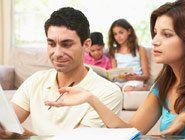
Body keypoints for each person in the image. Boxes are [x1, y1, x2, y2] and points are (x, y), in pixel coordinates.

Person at [45, 0, 185, 137]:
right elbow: (129, 131)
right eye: (155, 33)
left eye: (166, 34)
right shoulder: (162, 86)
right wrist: (91, 99)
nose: (155, 41)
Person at [0, 7, 122, 138]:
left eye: (66, 44)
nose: (57, 53)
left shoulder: (108, 92)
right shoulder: (35, 81)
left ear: (86, 45)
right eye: (51, 44)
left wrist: (22, 135)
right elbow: (7, 122)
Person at [108, 19, 150, 92]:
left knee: (127, 89)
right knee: (111, 90)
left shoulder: (140, 49)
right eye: (115, 34)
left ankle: (144, 88)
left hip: (135, 80)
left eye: (121, 32)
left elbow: (146, 75)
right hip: (120, 81)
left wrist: (135, 77)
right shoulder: (113, 51)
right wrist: (119, 76)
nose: (118, 36)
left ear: (129, 31)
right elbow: (114, 73)